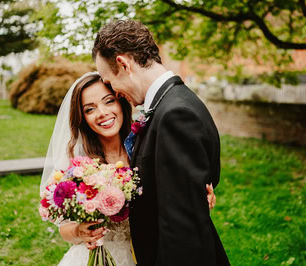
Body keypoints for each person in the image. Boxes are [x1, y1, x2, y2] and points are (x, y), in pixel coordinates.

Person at [40, 72, 217, 266]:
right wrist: (79, 231)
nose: (102, 113)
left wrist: (195, 199)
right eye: (90, 109)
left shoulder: (147, 146)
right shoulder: (76, 163)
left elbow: (171, 193)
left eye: (108, 101)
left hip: (149, 253)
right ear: (82, 117)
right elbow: (64, 228)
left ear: (120, 102)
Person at [93, 20, 230, 265]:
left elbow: (182, 227)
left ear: (124, 64)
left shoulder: (175, 115)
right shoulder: (170, 105)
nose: (113, 91)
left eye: (108, 80)